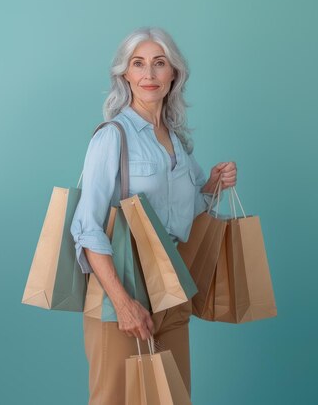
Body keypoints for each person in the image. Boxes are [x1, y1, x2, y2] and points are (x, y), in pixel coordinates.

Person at [70, 26, 237, 405]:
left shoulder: (175, 139)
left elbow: (186, 212)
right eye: (138, 64)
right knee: (115, 399)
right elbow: (86, 227)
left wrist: (212, 183)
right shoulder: (112, 136)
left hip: (170, 288)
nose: (149, 74)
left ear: (173, 74)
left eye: (159, 64)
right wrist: (124, 304)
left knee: (171, 398)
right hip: (121, 292)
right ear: (124, 74)